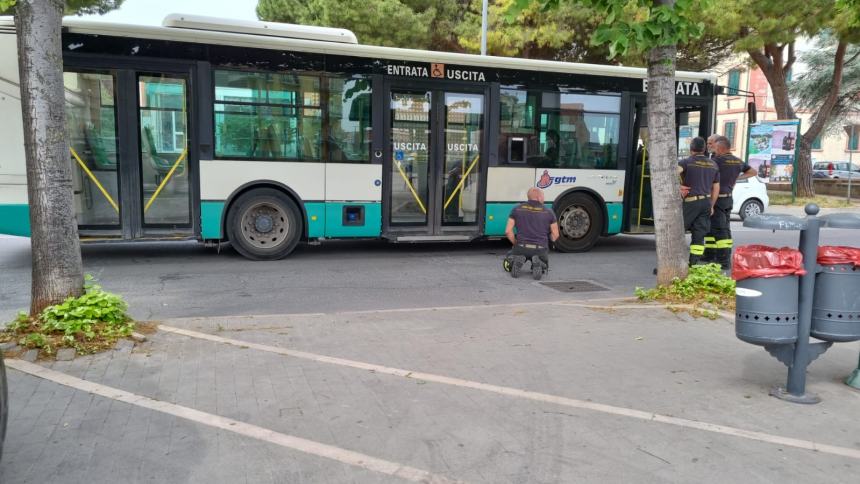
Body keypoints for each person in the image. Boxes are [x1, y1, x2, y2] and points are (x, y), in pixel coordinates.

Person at [704, 136, 757, 269]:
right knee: (717, 227)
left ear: (720, 148)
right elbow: (752, 172)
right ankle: (710, 254)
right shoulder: (737, 161)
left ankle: (723, 260)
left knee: (720, 230)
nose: (713, 150)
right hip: (728, 198)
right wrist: (737, 178)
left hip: (717, 199)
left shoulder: (716, 161)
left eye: (715, 147)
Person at [678, 137, 720, 266]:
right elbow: (716, 187)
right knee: (699, 234)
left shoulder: (686, 162)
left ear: (691, 149)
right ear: (704, 149)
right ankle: (693, 264)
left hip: (691, 202)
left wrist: (678, 187)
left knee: (678, 232)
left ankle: (675, 264)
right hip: (706, 203)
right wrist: (712, 205)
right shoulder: (713, 164)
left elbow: (672, 174)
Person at [503, 187, 560, 279]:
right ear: (539, 197)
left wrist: (516, 243)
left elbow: (508, 231)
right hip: (540, 249)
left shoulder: (516, 209)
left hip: (521, 247)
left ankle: (514, 261)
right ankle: (539, 264)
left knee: (508, 261)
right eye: (543, 196)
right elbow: (556, 235)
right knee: (544, 265)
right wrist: (548, 242)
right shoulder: (549, 212)